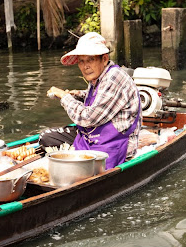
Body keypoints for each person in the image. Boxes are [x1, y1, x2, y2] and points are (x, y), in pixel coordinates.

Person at [41, 32, 141, 169]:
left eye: (90, 60)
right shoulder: (98, 77)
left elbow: (88, 118)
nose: (85, 66)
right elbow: (100, 97)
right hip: (94, 137)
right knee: (46, 137)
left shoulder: (114, 76)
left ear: (104, 59)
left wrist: (65, 98)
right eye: (81, 61)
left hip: (115, 144)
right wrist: (78, 94)